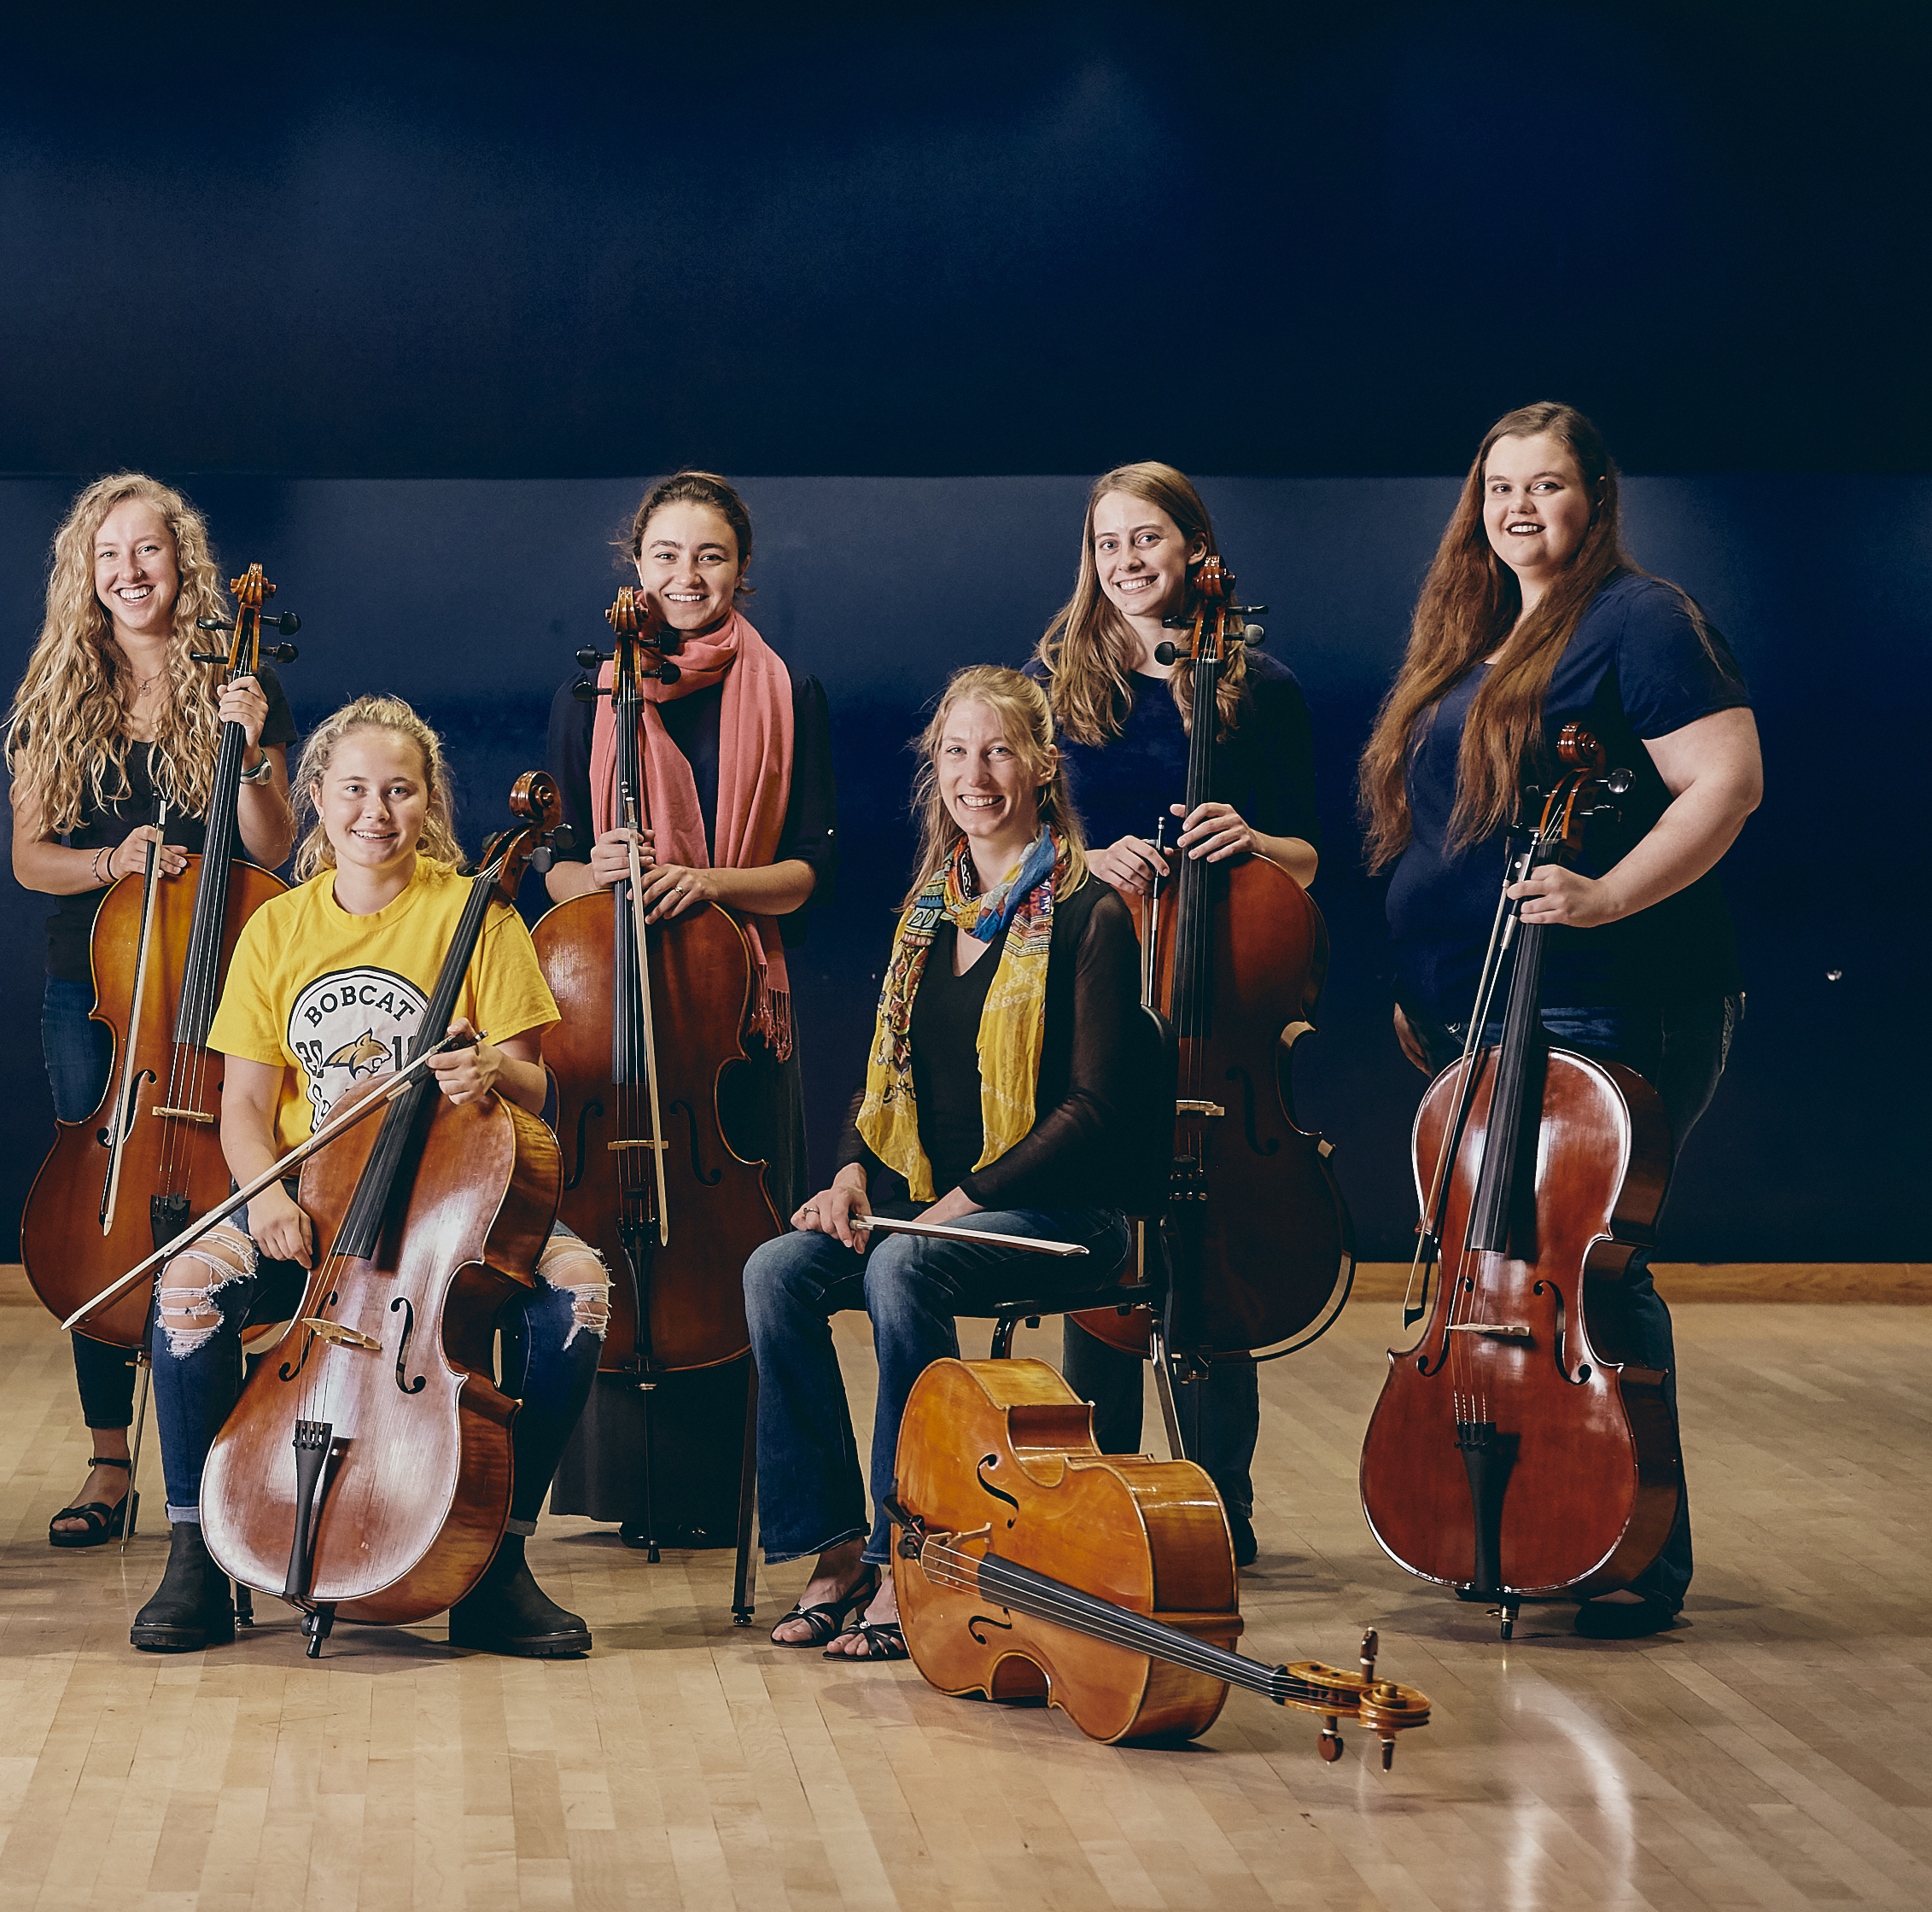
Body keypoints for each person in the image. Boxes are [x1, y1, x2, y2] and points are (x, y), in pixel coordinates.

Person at [1361, 400, 1761, 1639]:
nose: (1519, 507)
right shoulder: (1478, 632)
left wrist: (1607, 893)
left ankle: (1637, 1549)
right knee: (1532, 1264)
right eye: (1498, 488)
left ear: (1597, 498)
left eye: (1546, 485)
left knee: (1597, 1264)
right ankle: (1542, 1520)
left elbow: (1727, 782)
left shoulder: (1640, 620)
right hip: (1487, 1009)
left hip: (1616, 993)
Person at [129, 696, 611, 1656]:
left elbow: (536, 1084)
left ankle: (497, 1562)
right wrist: (265, 1199)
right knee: (184, 1289)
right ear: (316, 797)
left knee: (581, 1294)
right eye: (353, 789)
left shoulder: (479, 916)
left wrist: (491, 1072)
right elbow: (244, 1109)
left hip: (450, 1209)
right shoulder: (277, 929)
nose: (374, 812)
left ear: (428, 802)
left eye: (398, 790)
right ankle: (192, 1559)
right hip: (310, 1208)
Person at [747, 666, 1164, 1658]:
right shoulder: (928, 917)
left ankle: (916, 1557)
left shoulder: (1088, 914)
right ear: (935, 772)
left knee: (902, 1263)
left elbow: (1096, 1111)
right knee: (777, 1272)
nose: (976, 775)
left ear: (1043, 767)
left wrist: (963, 1203)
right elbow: (886, 1076)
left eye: (999, 750)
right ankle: (836, 1549)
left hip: (1067, 1222)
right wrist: (851, 1171)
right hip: (937, 1213)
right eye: (956, 753)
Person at [1029, 462, 1322, 1565]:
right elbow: (1015, 844)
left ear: (1196, 549)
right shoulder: (1057, 682)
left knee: (1210, 1269)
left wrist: (1253, 841)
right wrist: (1085, 858)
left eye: (1146, 539)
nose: (1127, 562)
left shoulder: (1266, 689)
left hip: (1215, 1031)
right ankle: (1093, 1507)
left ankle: (1219, 1513)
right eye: (1108, 545)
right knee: (1101, 1262)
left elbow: (1306, 857)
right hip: (1098, 1003)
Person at [540, 470, 836, 1548]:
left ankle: (729, 1489)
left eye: (708, 557)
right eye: (665, 555)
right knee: (610, 1226)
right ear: (636, 565)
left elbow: (806, 877)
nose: (685, 577)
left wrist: (708, 883)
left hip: (733, 1023)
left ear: (741, 571)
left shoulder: (786, 690)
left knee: (735, 1237)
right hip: (616, 1021)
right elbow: (557, 877)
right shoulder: (588, 694)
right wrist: (600, 866)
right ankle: (618, 1485)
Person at [2, 474, 295, 1548]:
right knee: (105, 1208)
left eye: (150, 553)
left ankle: (222, 1439)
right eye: (109, 555)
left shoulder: (236, 678)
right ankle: (108, 1461)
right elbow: (30, 860)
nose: (130, 573)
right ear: (87, 571)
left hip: (214, 996)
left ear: (184, 565)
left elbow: (269, 848)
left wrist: (254, 745)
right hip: (98, 993)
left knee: (224, 1198)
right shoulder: (52, 691)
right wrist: (110, 860)